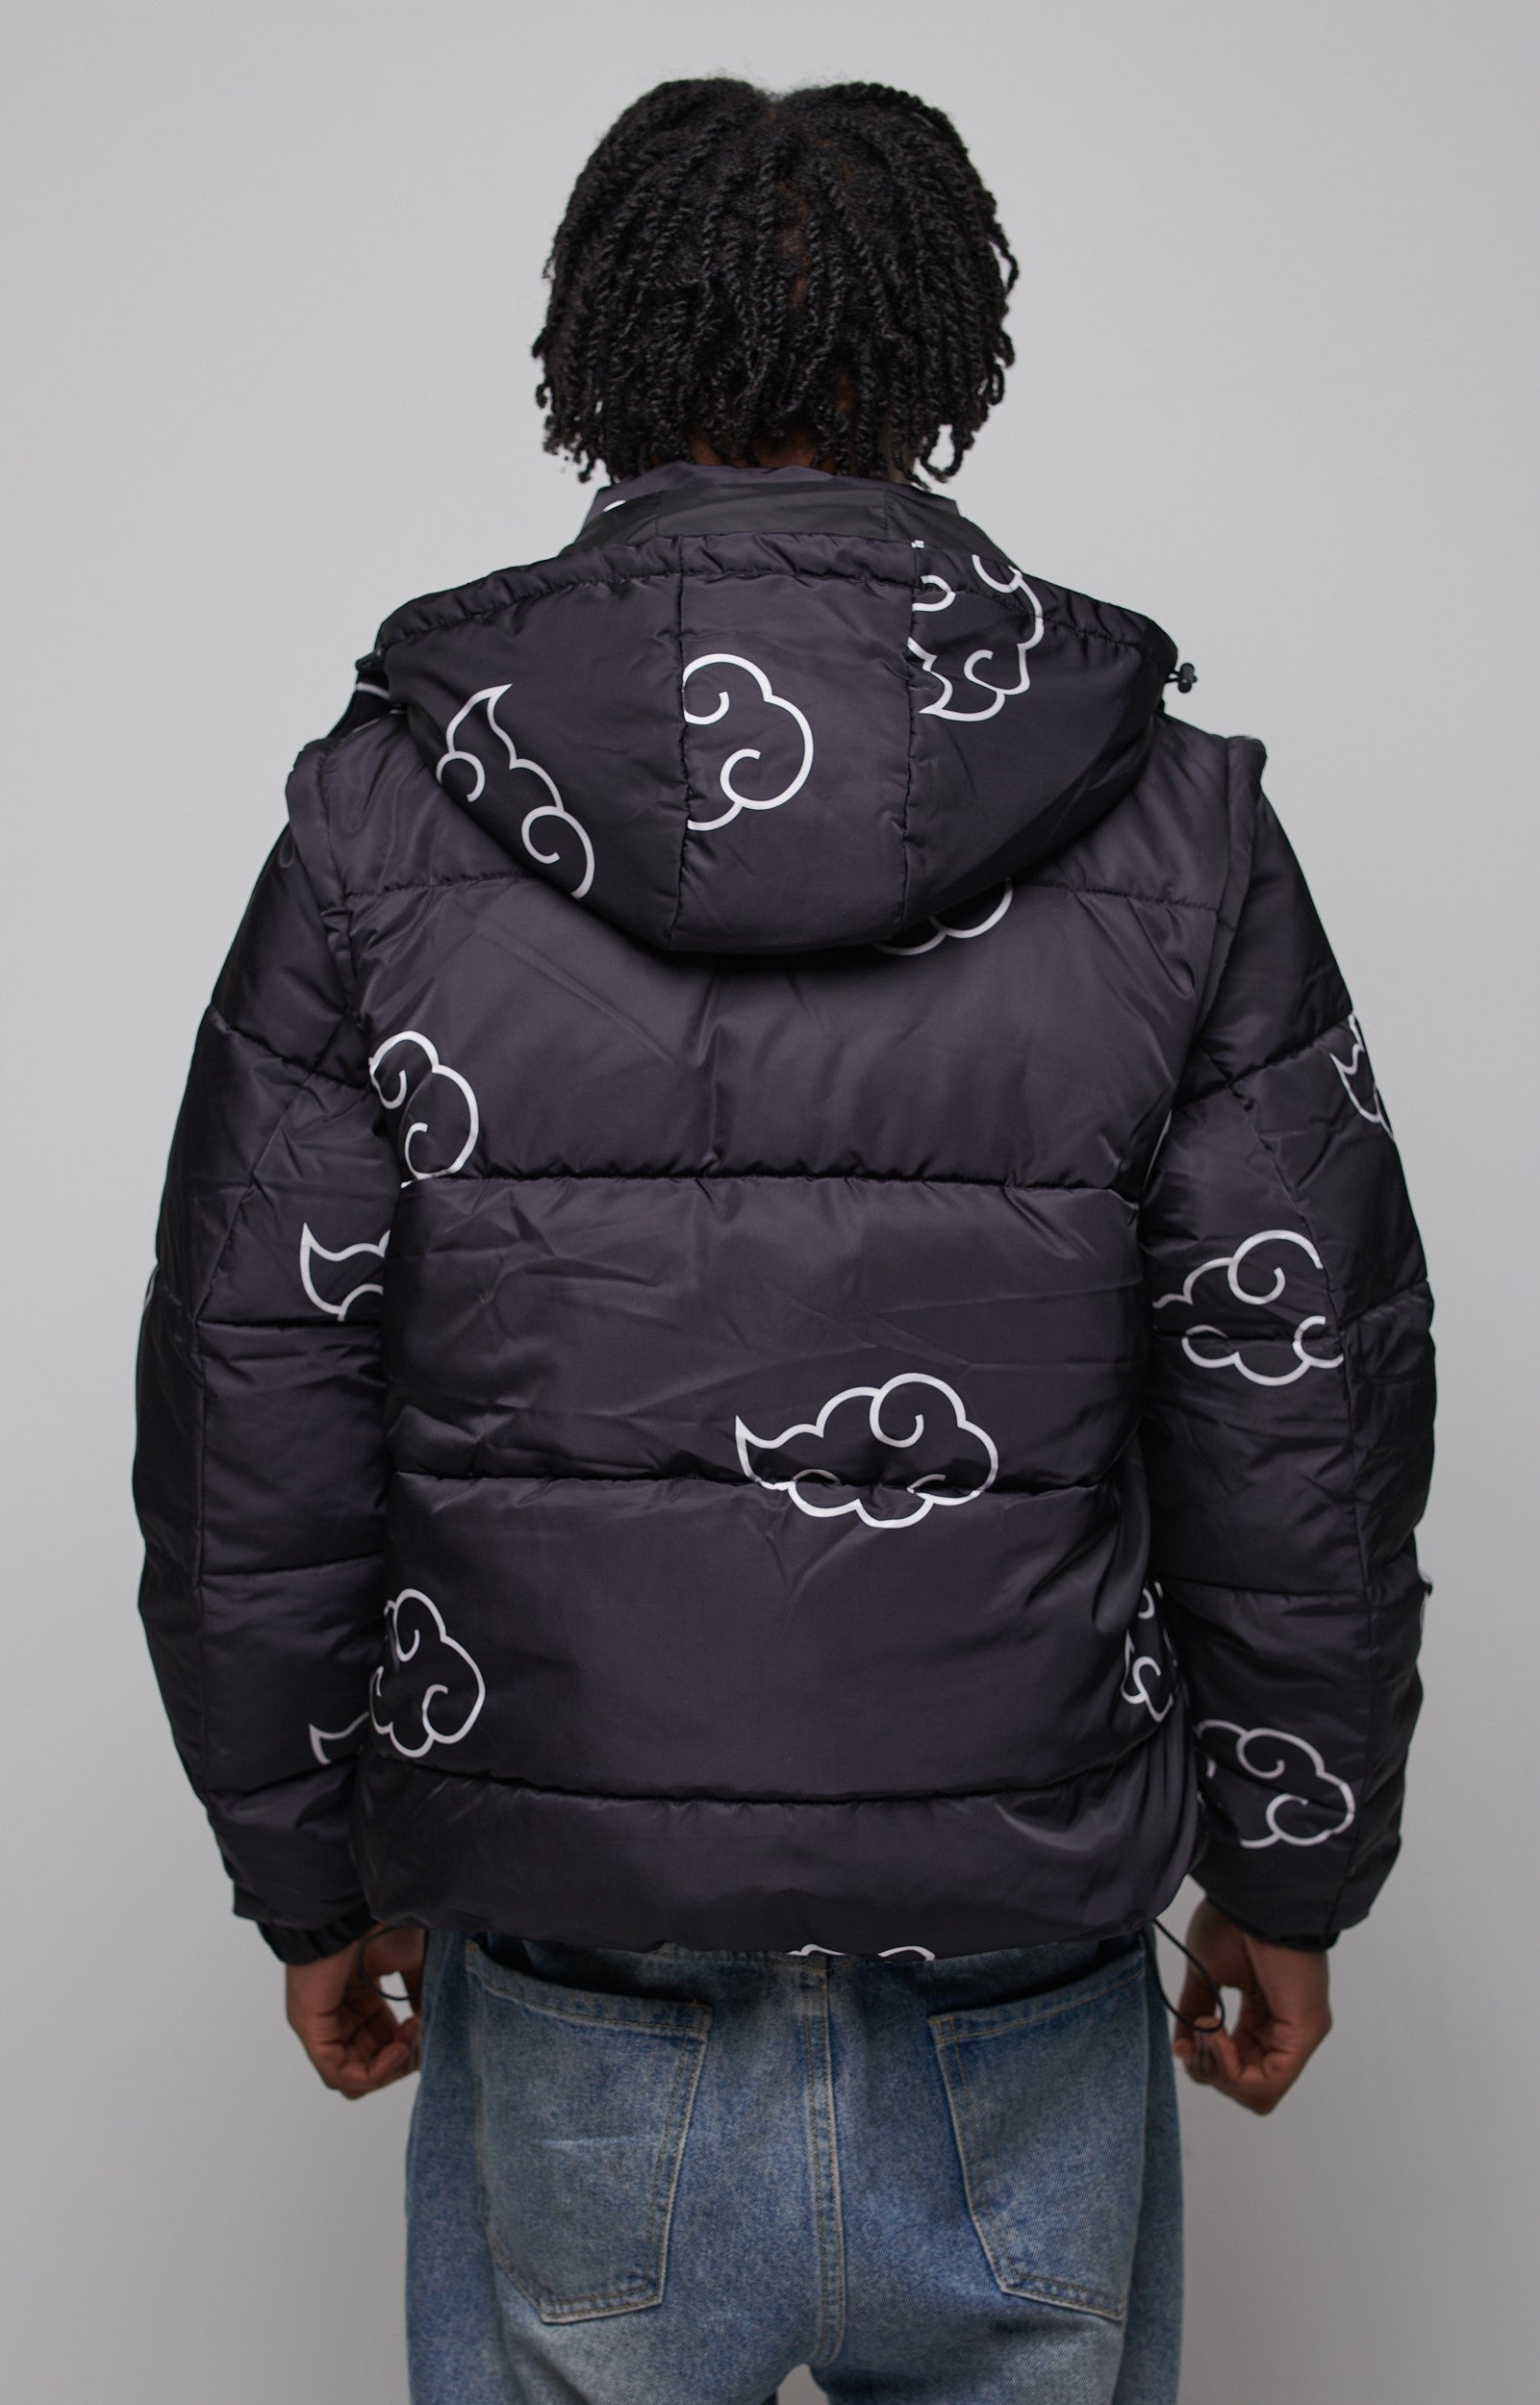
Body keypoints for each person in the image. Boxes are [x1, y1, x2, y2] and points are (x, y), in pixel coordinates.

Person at [134, 76, 1434, 2405]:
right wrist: (1290, 1868)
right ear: (938, 356)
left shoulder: (381, 821)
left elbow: (255, 1395)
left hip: (583, 1971)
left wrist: (306, 1870)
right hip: (1020, 1970)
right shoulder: (1178, 822)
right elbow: (1298, 1403)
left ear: (604, 349)